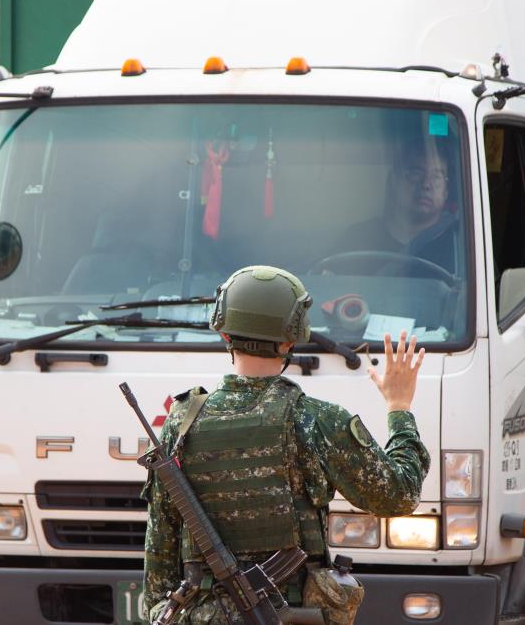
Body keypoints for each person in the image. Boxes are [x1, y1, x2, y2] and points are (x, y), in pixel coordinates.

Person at [142, 265, 430, 624]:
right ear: (291, 340)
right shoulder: (317, 421)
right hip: (289, 614)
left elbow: (160, 545)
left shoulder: (181, 422)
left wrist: (158, 612)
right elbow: (398, 494)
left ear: (224, 335)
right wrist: (399, 407)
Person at [333, 143, 458, 274]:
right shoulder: (357, 238)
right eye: (415, 173)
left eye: (436, 177)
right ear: (394, 180)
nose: (426, 184)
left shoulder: (459, 248)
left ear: (446, 191)